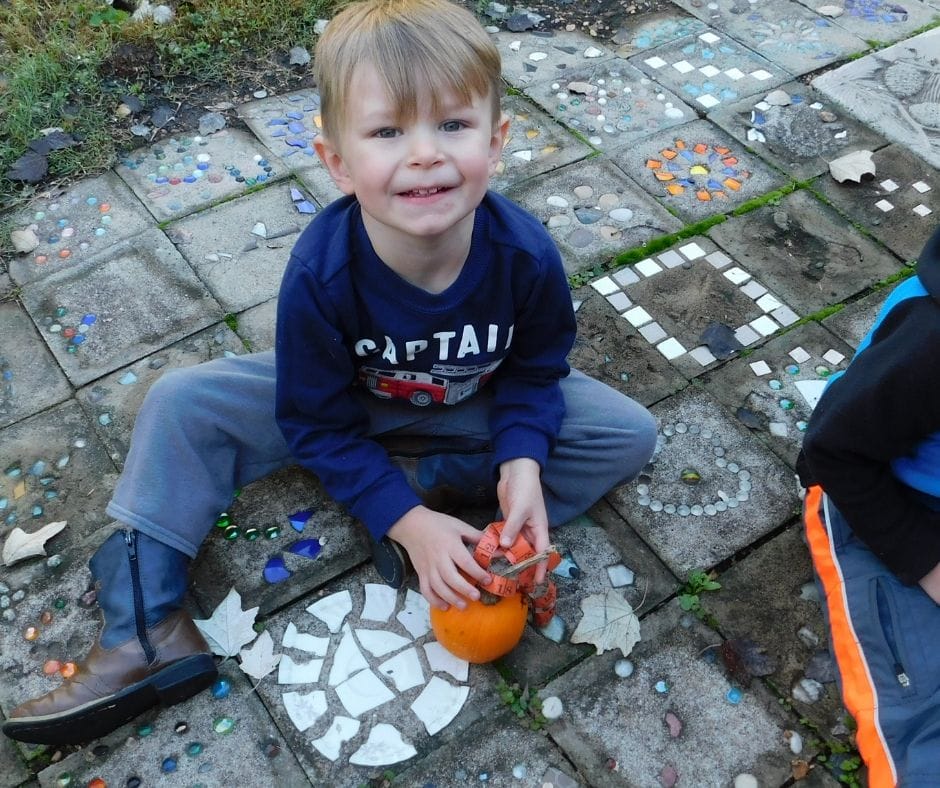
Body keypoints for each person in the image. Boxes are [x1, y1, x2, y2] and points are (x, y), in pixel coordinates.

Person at [2, 0, 656, 746]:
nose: (424, 155)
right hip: (349, 402)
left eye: (452, 124)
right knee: (183, 402)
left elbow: (537, 374)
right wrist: (404, 523)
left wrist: (524, 464)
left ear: (497, 140)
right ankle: (145, 632)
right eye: (387, 132)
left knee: (627, 432)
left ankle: (463, 531)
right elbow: (311, 419)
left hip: (472, 401)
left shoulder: (526, 254)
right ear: (337, 161)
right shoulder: (322, 270)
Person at [798, 226, 940, 787]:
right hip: (876, 491)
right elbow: (832, 452)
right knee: (922, 721)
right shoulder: (929, 343)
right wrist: (927, 563)